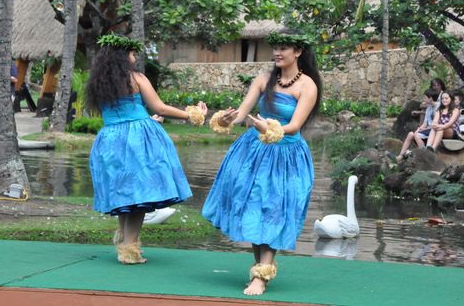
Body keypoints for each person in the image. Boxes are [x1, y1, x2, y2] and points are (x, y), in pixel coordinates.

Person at [202, 29, 322, 296]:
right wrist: (225, 119)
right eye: (275, 48)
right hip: (254, 152)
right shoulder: (264, 79)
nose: (278, 53)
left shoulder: (307, 86)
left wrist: (269, 125)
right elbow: (242, 114)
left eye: (284, 48)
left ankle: (262, 276)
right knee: (254, 207)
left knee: (274, 210)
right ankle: (261, 268)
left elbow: (294, 125)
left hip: (287, 156)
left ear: (298, 52)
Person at [86, 33, 207, 265]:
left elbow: (120, 113)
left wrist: (146, 118)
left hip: (109, 140)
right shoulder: (136, 78)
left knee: (124, 192)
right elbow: (159, 106)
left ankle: (125, 241)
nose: (134, 58)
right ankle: (129, 250)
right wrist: (192, 114)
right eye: (132, 53)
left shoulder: (98, 83)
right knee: (140, 194)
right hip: (137, 140)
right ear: (123, 57)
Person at [396, 89, 439, 161]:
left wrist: (423, 129)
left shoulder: (438, 107)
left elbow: (437, 123)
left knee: (417, 135)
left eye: (425, 97)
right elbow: (425, 123)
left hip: (434, 130)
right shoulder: (429, 108)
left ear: (430, 98)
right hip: (427, 129)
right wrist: (418, 129)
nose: (423, 99)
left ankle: (425, 155)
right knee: (411, 134)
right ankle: (400, 156)